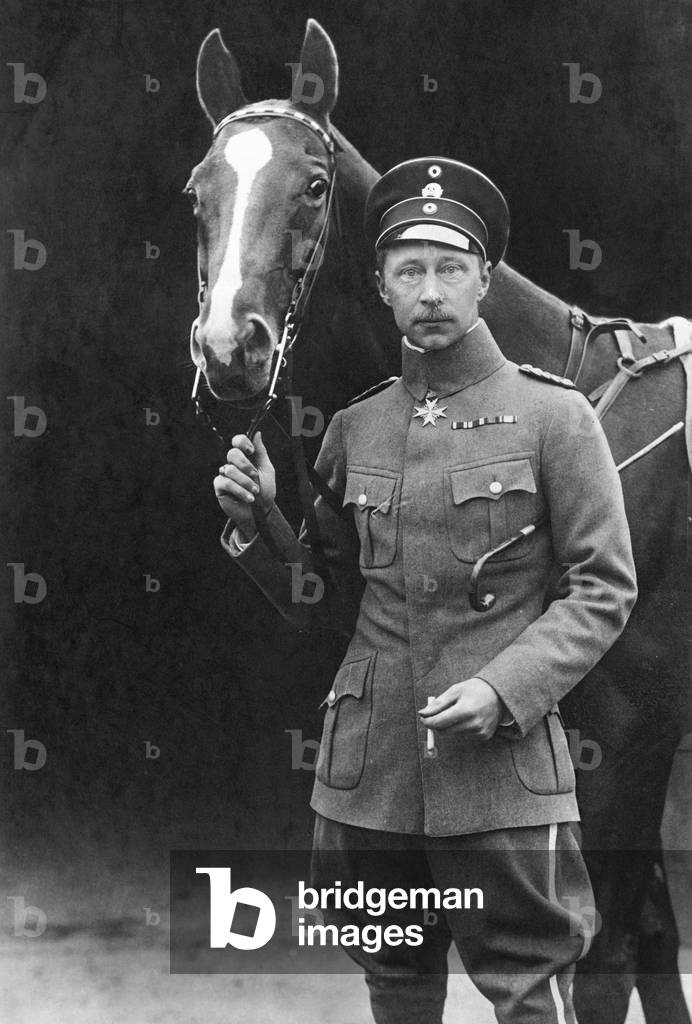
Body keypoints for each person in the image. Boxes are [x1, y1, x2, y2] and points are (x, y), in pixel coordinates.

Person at [213, 158, 638, 1023]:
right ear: (380, 287)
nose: (432, 290)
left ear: (485, 278)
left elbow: (603, 587)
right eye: (410, 270)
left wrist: (502, 689)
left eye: (451, 267)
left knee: (531, 988)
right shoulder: (353, 428)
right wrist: (261, 520)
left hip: (502, 781)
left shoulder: (556, 419)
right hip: (370, 778)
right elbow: (327, 604)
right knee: (397, 987)